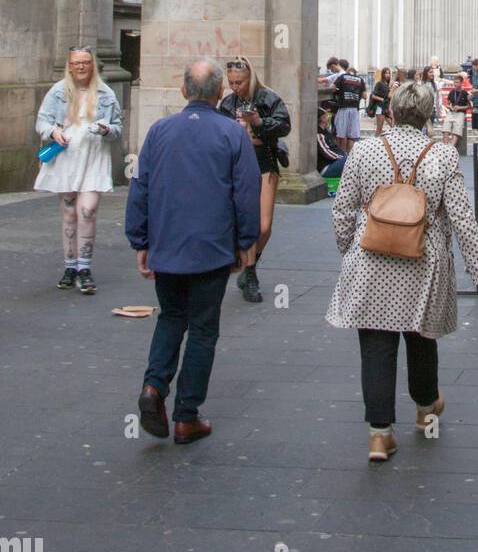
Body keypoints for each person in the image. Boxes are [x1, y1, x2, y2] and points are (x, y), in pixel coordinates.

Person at [325, 80, 478, 462]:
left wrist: (348, 250)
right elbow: (462, 219)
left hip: (371, 261)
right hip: (424, 261)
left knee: (375, 346)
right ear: (428, 116)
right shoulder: (442, 156)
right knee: (421, 337)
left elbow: (342, 209)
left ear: (390, 112)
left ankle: (379, 434)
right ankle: (425, 409)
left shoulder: (365, 151)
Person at [126, 58, 260, 444]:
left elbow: (141, 186)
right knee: (202, 329)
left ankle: (154, 387)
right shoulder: (232, 134)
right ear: (221, 92)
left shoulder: (159, 131)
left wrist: (141, 240)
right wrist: (245, 242)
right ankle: (186, 415)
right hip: (213, 246)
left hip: (167, 243)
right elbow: (245, 192)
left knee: (171, 317)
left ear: (183, 91)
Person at [34, 45, 123, 294]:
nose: (81, 67)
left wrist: (105, 129)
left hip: (94, 159)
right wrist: (53, 131)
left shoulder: (105, 93)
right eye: (76, 63)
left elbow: (117, 127)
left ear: (92, 64)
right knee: (70, 214)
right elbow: (42, 121)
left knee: (88, 210)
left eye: (85, 62)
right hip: (67, 160)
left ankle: (85, 268)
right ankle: (70, 266)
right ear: (70, 65)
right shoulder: (58, 92)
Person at [218, 55, 290, 304]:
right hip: (237, 165)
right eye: (232, 82)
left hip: (264, 162)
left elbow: (284, 126)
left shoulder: (268, 98)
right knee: (246, 222)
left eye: (240, 82)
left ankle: (251, 262)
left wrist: (258, 122)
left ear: (251, 78)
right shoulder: (228, 103)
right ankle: (249, 274)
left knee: (264, 226)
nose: (236, 87)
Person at [332, 64, 366, 153]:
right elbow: (365, 96)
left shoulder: (342, 77)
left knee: (341, 134)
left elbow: (333, 88)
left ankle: (342, 157)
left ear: (348, 72)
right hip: (354, 110)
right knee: (351, 136)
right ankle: (349, 156)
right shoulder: (360, 80)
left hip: (343, 108)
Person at [317, 108, 347, 180]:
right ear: (323, 118)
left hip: (335, 163)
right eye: (326, 115)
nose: (328, 117)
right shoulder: (319, 134)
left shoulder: (326, 132)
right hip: (326, 167)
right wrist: (343, 158)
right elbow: (327, 153)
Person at [442, 76, 470, 147]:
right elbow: (447, 104)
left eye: (457, 82)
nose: (455, 84)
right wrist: (450, 107)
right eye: (454, 82)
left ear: (461, 83)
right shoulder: (451, 92)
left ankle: (451, 148)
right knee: (446, 128)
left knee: (457, 130)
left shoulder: (465, 93)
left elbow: (469, 106)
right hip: (451, 112)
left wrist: (460, 107)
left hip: (461, 113)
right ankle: (445, 147)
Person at [368, 67, 392, 137]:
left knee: (393, 126)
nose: (388, 75)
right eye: (386, 73)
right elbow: (373, 96)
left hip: (386, 108)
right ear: (383, 74)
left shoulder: (387, 85)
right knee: (379, 129)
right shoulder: (379, 83)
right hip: (380, 108)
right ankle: (374, 144)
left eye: (389, 73)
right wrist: (383, 100)